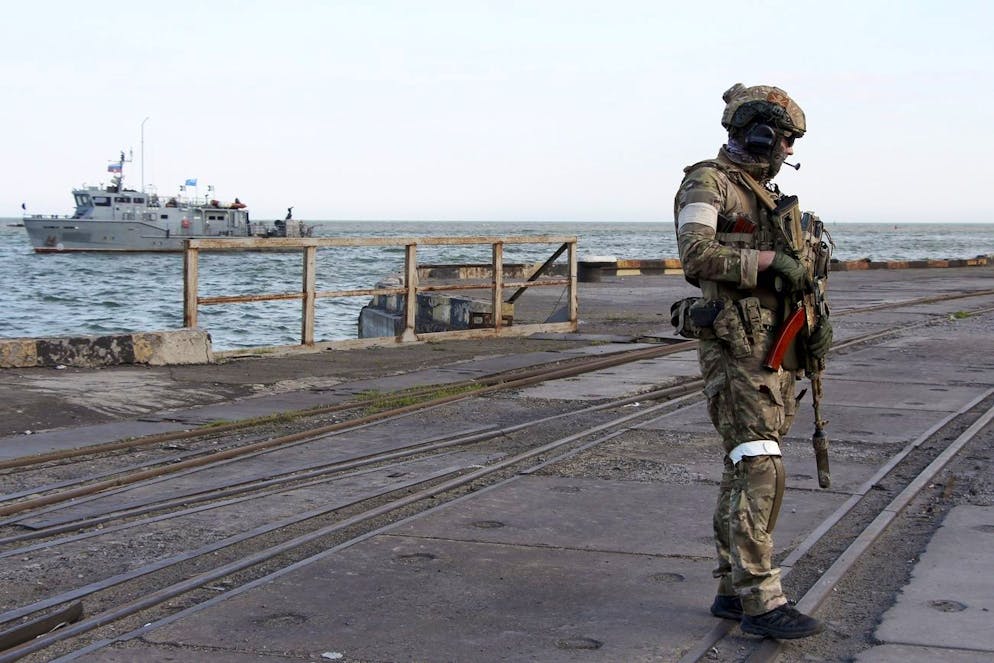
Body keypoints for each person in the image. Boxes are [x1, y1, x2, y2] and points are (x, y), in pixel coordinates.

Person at [671, 83, 833, 640]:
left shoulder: (765, 195)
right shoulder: (708, 182)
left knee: (746, 464)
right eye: (785, 138)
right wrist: (768, 261)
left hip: (772, 348)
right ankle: (762, 600)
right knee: (760, 465)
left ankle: (732, 591)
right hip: (737, 346)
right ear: (760, 133)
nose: (788, 149)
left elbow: (800, 272)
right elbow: (695, 255)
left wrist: (814, 317)